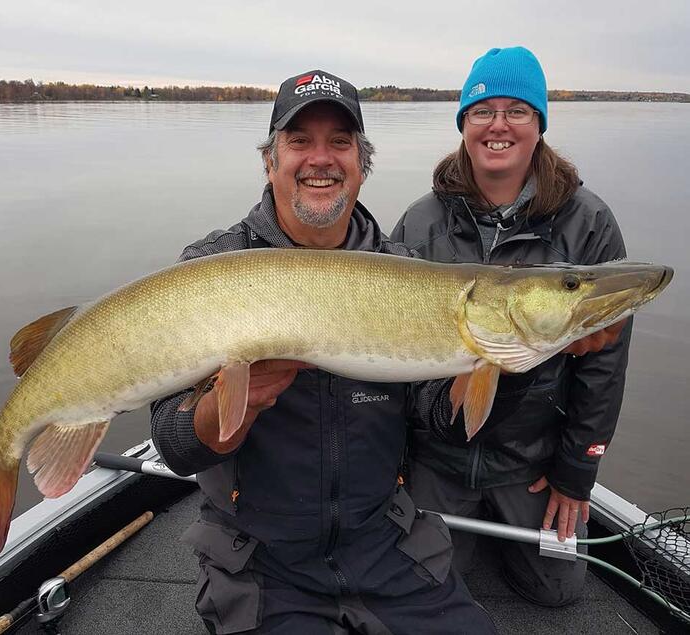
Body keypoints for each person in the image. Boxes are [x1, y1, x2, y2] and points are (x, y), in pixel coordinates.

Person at [151, 70, 497, 634]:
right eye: (299, 141)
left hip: (385, 543)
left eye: (340, 142)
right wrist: (235, 403)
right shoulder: (211, 267)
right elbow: (173, 444)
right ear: (270, 161)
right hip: (258, 557)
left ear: (362, 165)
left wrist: (517, 360)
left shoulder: (406, 272)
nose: (321, 158)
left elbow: (442, 422)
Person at [391, 47, 631, 607]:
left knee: (560, 592)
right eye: (482, 111)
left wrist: (576, 471)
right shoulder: (421, 220)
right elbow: (396, 364)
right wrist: (396, 466)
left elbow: (605, 366)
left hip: (531, 458)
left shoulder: (589, 221)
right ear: (465, 124)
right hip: (440, 456)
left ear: (539, 124)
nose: (498, 125)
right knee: (420, 585)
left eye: (517, 110)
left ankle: (504, 527)